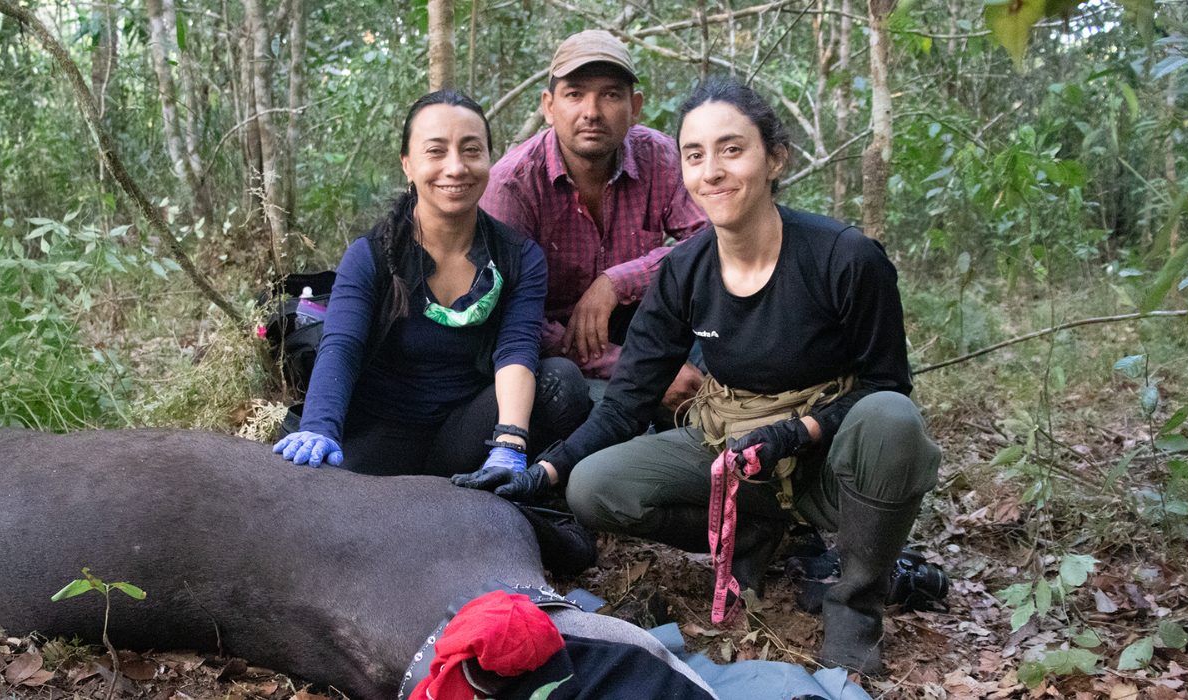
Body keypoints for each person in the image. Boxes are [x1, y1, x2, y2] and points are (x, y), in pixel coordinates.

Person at [455, 77, 942, 675]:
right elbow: (626, 402)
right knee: (594, 487)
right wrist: (546, 469)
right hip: (730, 446)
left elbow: (886, 384)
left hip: (828, 455)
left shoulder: (843, 258)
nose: (712, 171)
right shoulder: (684, 271)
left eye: (732, 150)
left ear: (775, 158)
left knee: (892, 420)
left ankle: (856, 604)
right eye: (695, 155)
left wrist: (800, 433)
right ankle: (754, 531)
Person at [274, 90, 590, 479]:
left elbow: (515, 353)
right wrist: (319, 426)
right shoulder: (371, 255)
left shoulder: (518, 256)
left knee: (562, 381)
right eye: (436, 151)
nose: (456, 167)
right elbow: (342, 346)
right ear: (407, 164)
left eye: (471, 150)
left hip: (466, 434)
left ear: (490, 159)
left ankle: (529, 482)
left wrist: (509, 443)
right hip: (382, 432)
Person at [480, 31, 708, 409]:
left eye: (610, 94)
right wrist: (639, 369)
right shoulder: (512, 186)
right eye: (575, 94)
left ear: (635, 107)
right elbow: (506, 317)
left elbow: (715, 242)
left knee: (725, 318)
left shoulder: (660, 156)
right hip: (553, 353)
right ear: (549, 106)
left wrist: (617, 282)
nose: (592, 111)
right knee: (575, 397)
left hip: (641, 324)